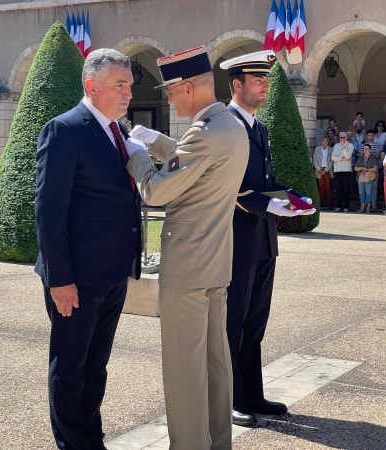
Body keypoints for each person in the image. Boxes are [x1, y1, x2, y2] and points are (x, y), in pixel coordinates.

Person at [126, 46, 250, 450]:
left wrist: (137, 153)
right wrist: (159, 141)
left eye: (170, 91)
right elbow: (197, 164)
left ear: (187, 88)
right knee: (216, 366)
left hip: (188, 267)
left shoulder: (202, 132)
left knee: (184, 373)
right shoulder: (230, 125)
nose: (168, 99)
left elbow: (157, 191)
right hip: (215, 263)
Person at [34, 48, 142, 450]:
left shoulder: (120, 132)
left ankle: (90, 439)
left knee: (96, 366)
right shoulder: (65, 129)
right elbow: (48, 212)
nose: (128, 92)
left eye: (130, 85)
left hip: (112, 274)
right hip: (76, 278)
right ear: (91, 86)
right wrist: (59, 279)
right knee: (70, 368)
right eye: (120, 84)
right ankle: (71, 444)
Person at [220, 50, 314, 429]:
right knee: (232, 321)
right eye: (258, 80)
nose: (265, 87)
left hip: (263, 241)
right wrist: (273, 207)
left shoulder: (258, 127)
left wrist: (292, 199)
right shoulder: (225, 125)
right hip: (237, 241)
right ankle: (229, 399)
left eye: (266, 81)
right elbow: (231, 189)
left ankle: (253, 393)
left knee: (255, 321)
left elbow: (263, 183)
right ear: (237, 84)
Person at [331, 131, 354, 211]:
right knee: (338, 188)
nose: (342, 139)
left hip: (346, 170)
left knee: (346, 188)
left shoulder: (350, 146)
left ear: (346, 138)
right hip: (337, 170)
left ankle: (346, 206)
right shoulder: (336, 146)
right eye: (340, 137)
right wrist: (341, 159)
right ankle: (339, 206)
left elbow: (348, 156)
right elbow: (333, 157)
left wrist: (343, 147)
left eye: (344, 137)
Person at [354, 143, 377, 213]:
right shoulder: (360, 158)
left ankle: (368, 208)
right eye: (364, 149)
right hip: (360, 177)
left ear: (370, 149)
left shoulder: (373, 158)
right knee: (361, 193)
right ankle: (362, 207)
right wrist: (361, 168)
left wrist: (367, 170)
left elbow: (375, 168)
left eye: (367, 149)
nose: (366, 150)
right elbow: (355, 168)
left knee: (368, 192)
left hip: (369, 177)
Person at [313, 137, 334, 209]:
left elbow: (332, 161)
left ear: (328, 142)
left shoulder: (331, 149)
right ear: (321, 142)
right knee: (321, 188)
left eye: (326, 141)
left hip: (327, 171)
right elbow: (314, 160)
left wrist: (326, 170)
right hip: (319, 171)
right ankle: (320, 203)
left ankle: (330, 203)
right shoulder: (317, 149)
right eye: (323, 141)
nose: (325, 142)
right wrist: (319, 170)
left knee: (328, 188)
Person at [363, 129, 381, 209]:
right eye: (369, 135)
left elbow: (377, 156)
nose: (371, 137)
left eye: (372, 135)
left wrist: (368, 155)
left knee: (374, 187)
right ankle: (366, 204)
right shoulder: (363, 145)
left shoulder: (377, 145)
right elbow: (361, 155)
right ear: (367, 135)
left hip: (374, 168)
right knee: (365, 187)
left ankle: (373, 204)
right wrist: (371, 154)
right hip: (364, 168)